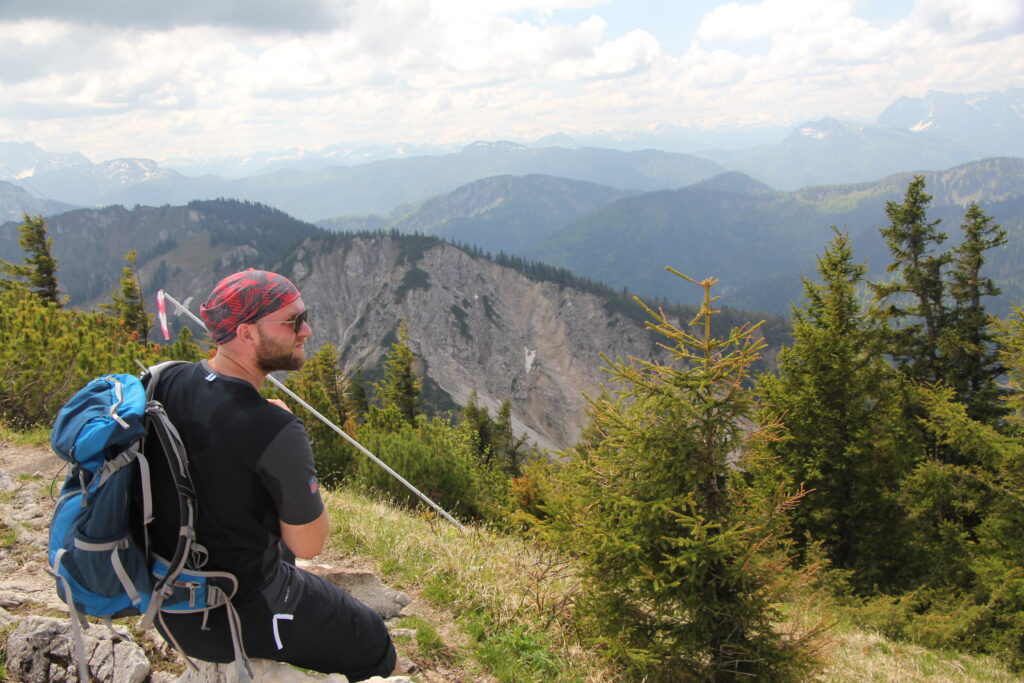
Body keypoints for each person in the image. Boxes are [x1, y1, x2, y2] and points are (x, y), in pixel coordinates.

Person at [148, 269, 399, 681]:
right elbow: (309, 543)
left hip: (166, 600)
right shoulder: (273, 430)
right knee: (372, 639)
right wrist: (288, 451)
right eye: (294, 321)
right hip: (230, 615)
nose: (307, 330)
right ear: (247, 333)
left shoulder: (166, 379)